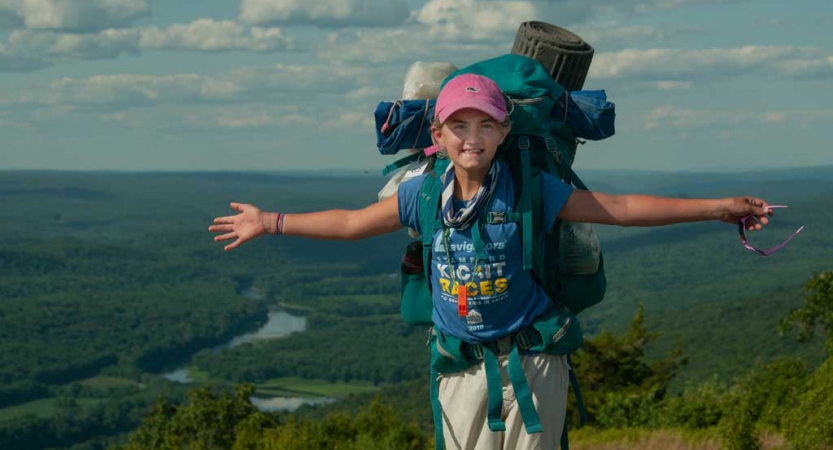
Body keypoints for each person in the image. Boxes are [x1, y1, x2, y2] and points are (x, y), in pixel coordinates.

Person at [208, 73, 776, 450]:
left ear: (504, 131)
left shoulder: (532, 190)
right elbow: (354, 223)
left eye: (485, 124)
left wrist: (716, 208)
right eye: (459, 125)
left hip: (533, 360)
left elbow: (622, 208)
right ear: (439, 134)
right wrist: (271, 222)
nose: (472, 136)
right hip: (460, 366)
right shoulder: (422, 194)